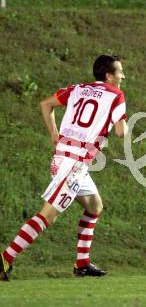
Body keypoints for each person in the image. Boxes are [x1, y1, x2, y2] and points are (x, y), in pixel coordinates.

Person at [0, 55, 128, 281]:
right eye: (120, 72)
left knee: (95, 206)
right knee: (48, 216)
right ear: (109, 76)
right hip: (74, 165)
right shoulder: (116, 95)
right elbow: (121, 132)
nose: (123, 76)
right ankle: (6, 258)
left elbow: (45, 104)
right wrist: (124, 122)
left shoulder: (77, 89)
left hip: (66, 158)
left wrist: (54, 134)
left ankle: (82, 263)